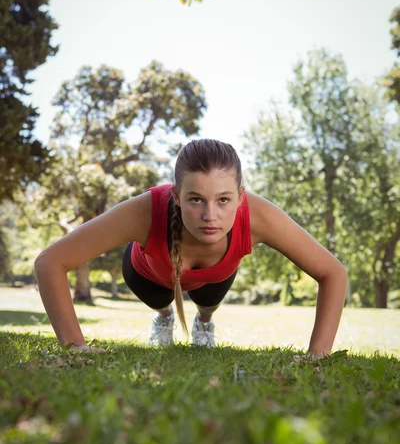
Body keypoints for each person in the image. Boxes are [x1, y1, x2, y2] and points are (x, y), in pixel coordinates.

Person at [34, 138, 348, 358]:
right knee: (159, 300)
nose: (211, 216)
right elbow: (50, 262)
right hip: (148, 275)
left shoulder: (259, 217)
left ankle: (204, 323)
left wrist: (318, 355)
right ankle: (163, 317)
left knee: (208, 302)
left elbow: (333, 272)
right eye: (196, 199)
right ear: (176, 195)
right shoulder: (146, 210)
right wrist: (75, 346)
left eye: (223, 200)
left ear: (240, 197)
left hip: (214, 278)